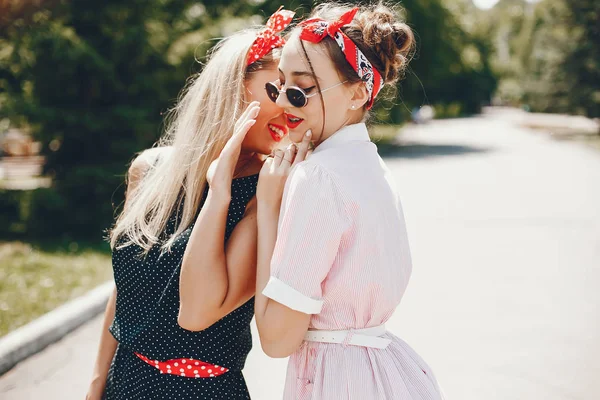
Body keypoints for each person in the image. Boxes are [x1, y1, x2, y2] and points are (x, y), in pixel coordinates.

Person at [85, 8, 295, 400]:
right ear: (234, 87)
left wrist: (221, 190)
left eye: (293, 95)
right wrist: (96, 384)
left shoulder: (266, 193)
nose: (288, 107)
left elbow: (203, 312)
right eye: (275, 89)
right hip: (124, 381)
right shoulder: (149, 170)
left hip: (202, 390)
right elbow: (126, 291)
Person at [255, 3, 445, 399]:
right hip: (386, 372)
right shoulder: (370, 167)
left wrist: (268, 208)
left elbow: (276, 339)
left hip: (337, 382)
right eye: (278, 86)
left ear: (358, 93)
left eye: (300, 89)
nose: (284, 103)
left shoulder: (318, 177)